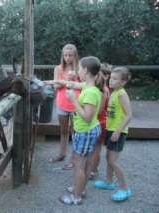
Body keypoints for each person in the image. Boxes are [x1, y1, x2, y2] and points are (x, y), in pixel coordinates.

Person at [58, 56, 102, 205]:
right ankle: (80, 189)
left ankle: (76, 197)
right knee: (86, 163)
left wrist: (73, 101)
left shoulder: (90, 92)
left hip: (85, 131)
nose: (77, 71)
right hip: (88, 131)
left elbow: (87, 117)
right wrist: (59, 82)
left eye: (79, 68)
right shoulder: (89, 87)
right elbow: (73, 84)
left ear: (85, 70)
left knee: (79, 165)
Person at [94, 67, 132, 202]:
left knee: (113, 161)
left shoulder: (121, 94)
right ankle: (109, 182)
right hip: (111, 130)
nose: (111, 81)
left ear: (123, 82)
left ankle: (125, 189)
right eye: (111, 78)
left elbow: (129, 115)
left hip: (118, 132)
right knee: (108, 157)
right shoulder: (114, 92)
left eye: (115, 79)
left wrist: (117, 131)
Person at [48, 44, 80, 170]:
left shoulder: (80, 69)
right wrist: (67, 79)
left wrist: (73, 79)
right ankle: (61, 154)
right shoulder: (58, 68)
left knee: (76, 132)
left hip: (76, 103)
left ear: (75, 55)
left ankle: (74, 158)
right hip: (62, 103)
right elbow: (55, 86)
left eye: (70, 55)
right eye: (65, 55)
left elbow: (84, 85)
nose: (67, 57)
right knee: (63, 130)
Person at [88, 63, 112, 180]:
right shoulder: (100, 89)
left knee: (96, 149)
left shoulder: (103, 90)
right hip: (99, 122)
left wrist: (86, 110)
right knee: (95, 148)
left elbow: (100, 110)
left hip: (100, 122)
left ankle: (92, 170)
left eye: (98, 74)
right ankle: (93, 169)